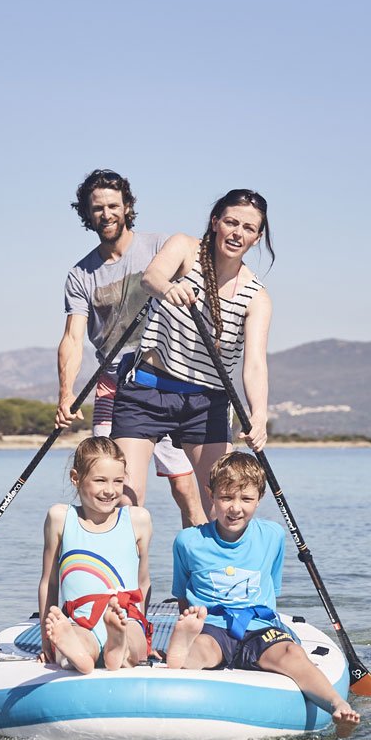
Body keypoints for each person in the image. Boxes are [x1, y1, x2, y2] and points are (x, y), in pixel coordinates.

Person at [166, 452, 360, 737]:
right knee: (201, 649)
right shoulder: (189, 540)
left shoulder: (272, 535)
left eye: (246, 499)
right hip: (212, 627)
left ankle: (337, 704)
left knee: (292, 653)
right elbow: (182, 594)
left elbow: (272, 590)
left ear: (259, 498)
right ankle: (180, 655)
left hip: (260, 629)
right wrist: (191, 622)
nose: (235, 508)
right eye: (226, 498)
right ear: (211, 495)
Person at [56, 168, 206, 528]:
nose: (106, 214)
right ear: (86, 213)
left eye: (112, 205)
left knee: (185, 488)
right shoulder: (81, 275)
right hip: (113, 383)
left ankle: (202, 572)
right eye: (97, 208)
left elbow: (208, 279)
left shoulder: (159, 247)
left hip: (169, 379)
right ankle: (122, 580)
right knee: (116, 492)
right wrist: (65, 393)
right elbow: (73, 338)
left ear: (127, 207)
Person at [110, 188, 273, 518]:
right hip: (146, 390)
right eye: (231, 222)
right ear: (215, 223)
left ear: (257, 238)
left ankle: (209, 568)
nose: (237, 233)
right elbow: (152, 277)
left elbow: (254, 363)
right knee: (125, 499)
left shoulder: (257, 297)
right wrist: (170, 287)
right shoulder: (185, 249)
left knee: (222, 505)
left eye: (248, 228)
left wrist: (259, 415)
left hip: (206, 402)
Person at [39, 436, 153, 674]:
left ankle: (118, 645)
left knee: (134, 645)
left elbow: (143, 582)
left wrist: (143, 632)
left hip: (125, 617)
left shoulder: (137, 519)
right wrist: (46, 639)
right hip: (80, 621)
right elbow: (49, 581)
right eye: (100, 480)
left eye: (118, 481)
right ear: (76, 478)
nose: (110, 491)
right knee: (77, 644)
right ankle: (80, 653)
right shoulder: (61, 517)